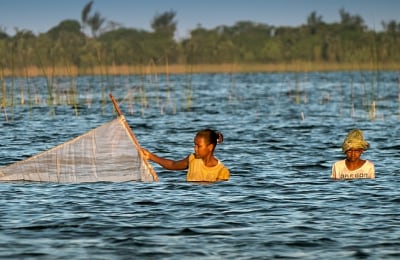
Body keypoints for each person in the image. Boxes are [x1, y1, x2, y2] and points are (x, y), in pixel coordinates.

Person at [141, 128, 230, 182]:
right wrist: (150, 156)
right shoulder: (192, 158)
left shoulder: (222, 171)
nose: (195, 148)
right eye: (194, 145)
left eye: (198, 146)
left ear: (210, 147)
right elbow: (173, 165)